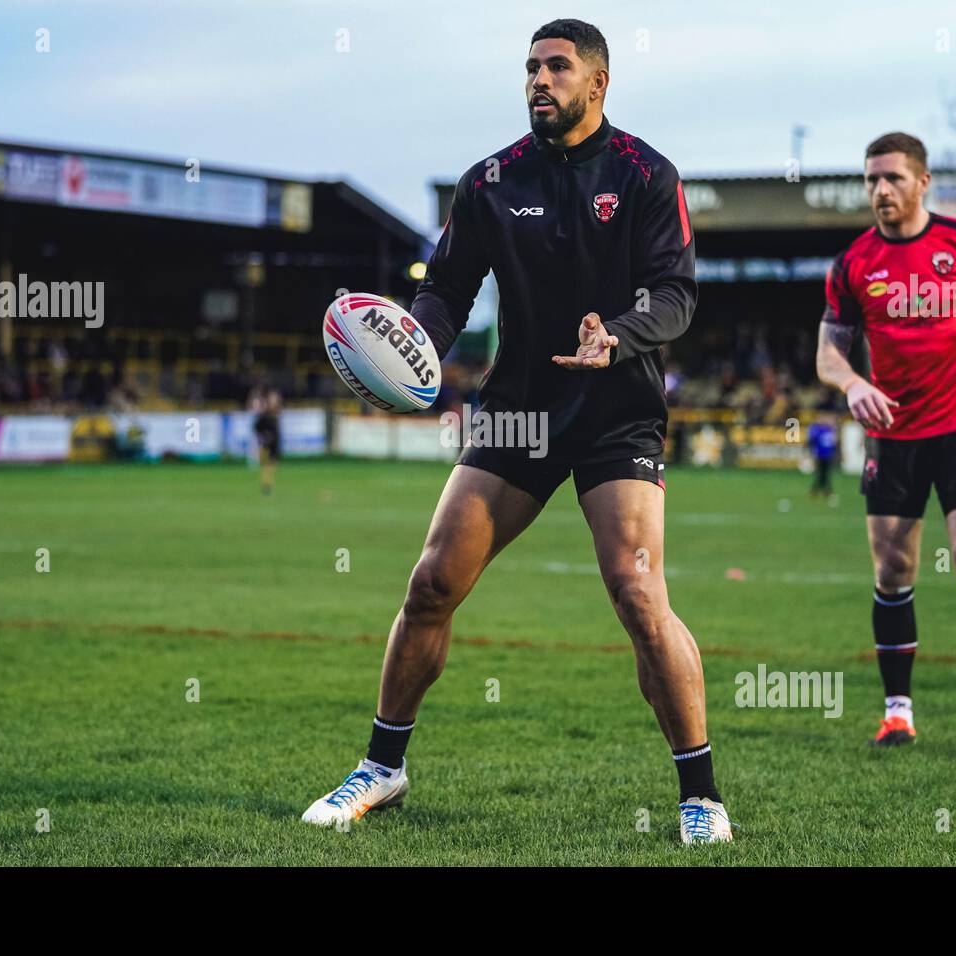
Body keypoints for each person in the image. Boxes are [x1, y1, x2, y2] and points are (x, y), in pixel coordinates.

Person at [301, 19, 731, 843]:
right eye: (531, 66)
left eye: (558, 67)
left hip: (617, 411)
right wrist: (411, 344)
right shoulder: (491, 180)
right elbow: (447, 288)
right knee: (432, 583)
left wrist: (617, 334)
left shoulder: (646, 173)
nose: (540, 79)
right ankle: (382, 768)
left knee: (639, 596)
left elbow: (675, 295)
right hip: (520, 412)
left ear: (597, 83)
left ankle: (700, 795)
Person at [815, 132, 956, 759]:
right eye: (870, 180)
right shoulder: (853, 264)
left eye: (891, 178)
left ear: (923, 182)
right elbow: (827, 353)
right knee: (893, 572)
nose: (879, 190)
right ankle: (897, 714)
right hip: (892, 438)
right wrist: (853, 380)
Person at [253, 388, 282, 496]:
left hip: (275, 445)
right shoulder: (264, 415)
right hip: (267, 445)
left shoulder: (276, 414)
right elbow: (256, 428)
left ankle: (268, 485)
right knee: (267, 466)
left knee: (273, 467)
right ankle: (266, 486)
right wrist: (264, 437)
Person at [807, 411, 839, 498]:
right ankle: (823, 491)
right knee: (822, 474)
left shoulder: (829, 430)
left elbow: (833, 443)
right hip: (820, 455)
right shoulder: (817, 429)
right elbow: (812, 441)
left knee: (825, 474)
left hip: (828, 455)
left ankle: (819, 491)